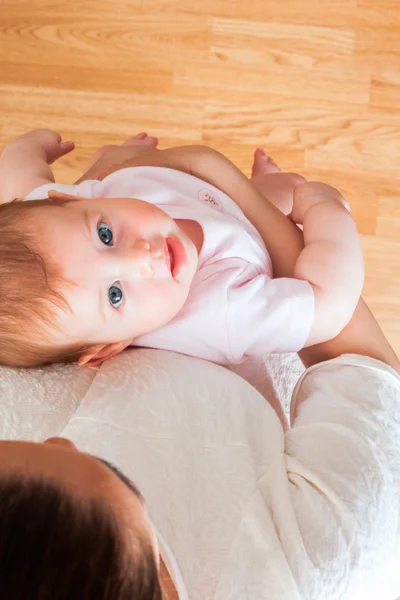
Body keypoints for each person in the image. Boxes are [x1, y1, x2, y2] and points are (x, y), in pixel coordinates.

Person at [0, 278, 399, 598]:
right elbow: (359, 364)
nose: (62, 442)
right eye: (116, 474)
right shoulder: (332, 567)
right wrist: (238, 209)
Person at [0, 129, 363, 367]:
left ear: (69, 197)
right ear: (111, 346)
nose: (141, 256)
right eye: (115, 295)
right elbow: (329, 305)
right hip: (257, 236)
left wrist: (30, 147)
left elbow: (19, 180)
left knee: (110, 160)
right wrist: (324, 211)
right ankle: (268, 182)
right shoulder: (223, 316)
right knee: (288, 188)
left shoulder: (69, 211)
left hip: (204, 192)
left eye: (106, 235)